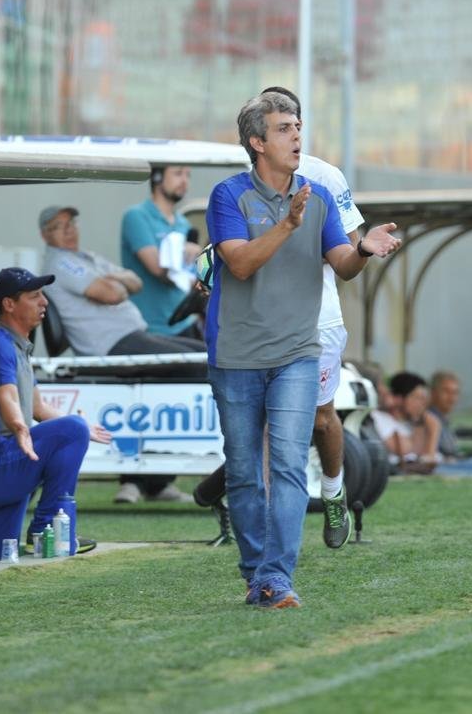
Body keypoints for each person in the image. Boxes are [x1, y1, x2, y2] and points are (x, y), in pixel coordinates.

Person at [205, 90, 399, 608]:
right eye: (285, 128)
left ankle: (276, 578)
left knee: (289, 464)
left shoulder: (316, 193)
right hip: (237, 353)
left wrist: (363, 248)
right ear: (257, 143)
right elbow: (240, 264)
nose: (297, 136)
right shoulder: (228, 196)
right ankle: (256, 573)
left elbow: (341, 260)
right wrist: (288, 225)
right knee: (245, 472)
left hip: (297, 350)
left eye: (298, 126)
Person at [263, 84, 367, 550]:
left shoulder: (324, 176)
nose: (287, 133)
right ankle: (269, 521)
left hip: (317, 319)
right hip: (260, 321)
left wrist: (359, 247)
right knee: (264, 419)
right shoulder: (240, 180)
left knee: (321, 419)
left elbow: (349, 244)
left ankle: (332, 492)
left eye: (290, 124)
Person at [39, 205, 199, 505]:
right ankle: (143, 479)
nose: (70, 229)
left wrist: (116, 282)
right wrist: (116, 283)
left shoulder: (84, 257)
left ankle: (154, 482)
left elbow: (133, 280)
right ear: (45, 234)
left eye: (72, 222)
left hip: (132, 337)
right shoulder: (61, 263)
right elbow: (113, 292)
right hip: (111, 345)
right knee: (197, 364)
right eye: (60, 226)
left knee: (202, 355)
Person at [0, 267, 111, 564]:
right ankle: (47, 528)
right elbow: (7, 396)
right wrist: (22, 430)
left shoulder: (17, 347)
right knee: (71, 429)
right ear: (9, 304)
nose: (44, 303)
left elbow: (37, 408)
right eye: (34, 296)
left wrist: (79, 430)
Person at [120, 165, 203, 338]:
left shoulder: (183, 223)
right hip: (150, 328)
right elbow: (158, 270)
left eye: (188, 175)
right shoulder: (137, 216)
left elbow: (191, 280)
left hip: (183, 322)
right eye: (178, 173)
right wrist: (182, 253)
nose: (184, 181)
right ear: (157, 178)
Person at [370, 372, 441, 471]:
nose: (422, 404)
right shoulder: (379, 418)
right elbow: (411, 452)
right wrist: (433, 430)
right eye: (417, 398)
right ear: (398, 399)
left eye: (424, 399)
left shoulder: (410, 423)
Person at [429, 369, 464, 461]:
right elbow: (447, 452)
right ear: (433, 393)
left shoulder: (443, 419)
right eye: (446, 391)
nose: (451, 398)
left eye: (455, 393)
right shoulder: (430, 418)